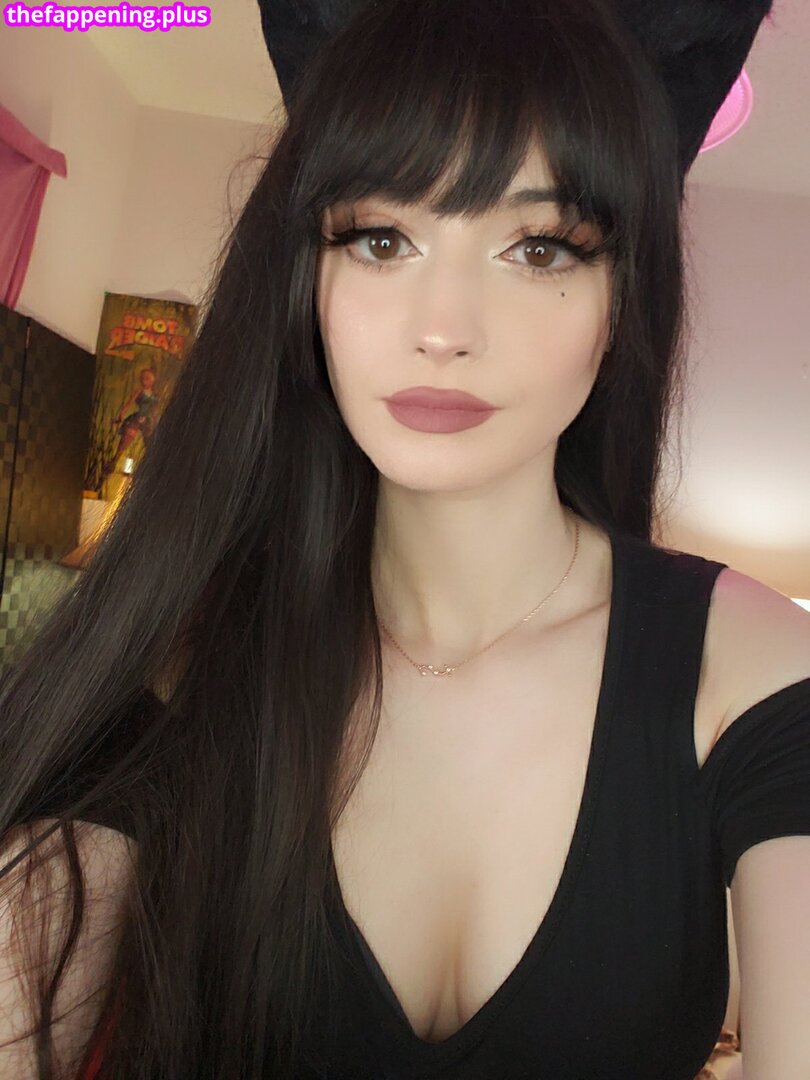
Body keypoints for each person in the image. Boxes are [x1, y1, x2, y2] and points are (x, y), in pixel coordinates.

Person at [1, 0, 807, 1078]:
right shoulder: (180, 667)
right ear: (308, 277)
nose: (443, 328)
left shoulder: (747, 672)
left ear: (624, 300)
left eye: (537, 247)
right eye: (382, 240)